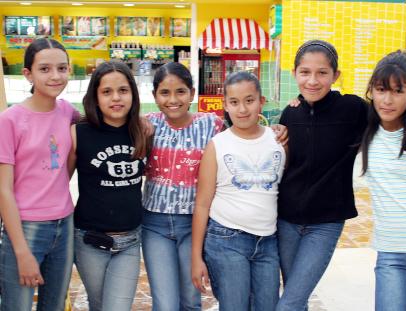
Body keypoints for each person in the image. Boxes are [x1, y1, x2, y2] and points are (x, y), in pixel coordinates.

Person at [276, 40, 406, 311]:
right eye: (305, 72)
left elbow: (397, 110)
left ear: (336, 76)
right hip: (287, 220)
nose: (313, 80)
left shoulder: (354, 110)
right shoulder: (292, 111)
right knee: (294, 296)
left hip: (326, 222)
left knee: (289, 302)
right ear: (294, 73)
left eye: (322, 72)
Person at [191, 71, 286, 311]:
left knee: (268, 306)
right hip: (226, 240)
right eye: (234, 102)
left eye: (249, 100)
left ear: (261, 101)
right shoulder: (218, 145)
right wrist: (196, 257)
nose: (242, 109)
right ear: (225, 105)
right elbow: (202, 203)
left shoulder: (278, 141)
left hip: (268, 242)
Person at [0, 38, 79, 311]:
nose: (55, 76)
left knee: (55, 304)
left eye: (62, 68)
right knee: (17, 305)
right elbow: (3, 190)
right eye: (44, 69)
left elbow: (98, 126)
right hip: (25, 227)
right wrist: (21, 251)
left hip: (65, 223)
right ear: (28, 74)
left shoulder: (68, 111)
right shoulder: (9, 120)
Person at [141, 62, 224, 310]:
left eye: (180, 91)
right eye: (164, 93)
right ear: (154, 96)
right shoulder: (146, 125)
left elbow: (245, 132)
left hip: (194, 225)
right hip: (154, 226)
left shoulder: (212, 125)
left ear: (192, 93)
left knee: (190, 300)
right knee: (165, 304)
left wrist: (279, 128)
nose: (173, 99)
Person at [68, 60, 151, 311]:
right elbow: (59, 185)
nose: (116, 98)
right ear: (95, 96)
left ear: (133, 95)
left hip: (129, 241)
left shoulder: (143, 131)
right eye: (107, 92)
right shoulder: (78, 133)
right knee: (99, 305)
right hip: (88, 240)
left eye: (123, 90)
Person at [361, 51, 406, 311]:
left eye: (398, 91)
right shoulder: (366, 128)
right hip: (391, 253)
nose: (387, 100)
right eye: (380, 90)